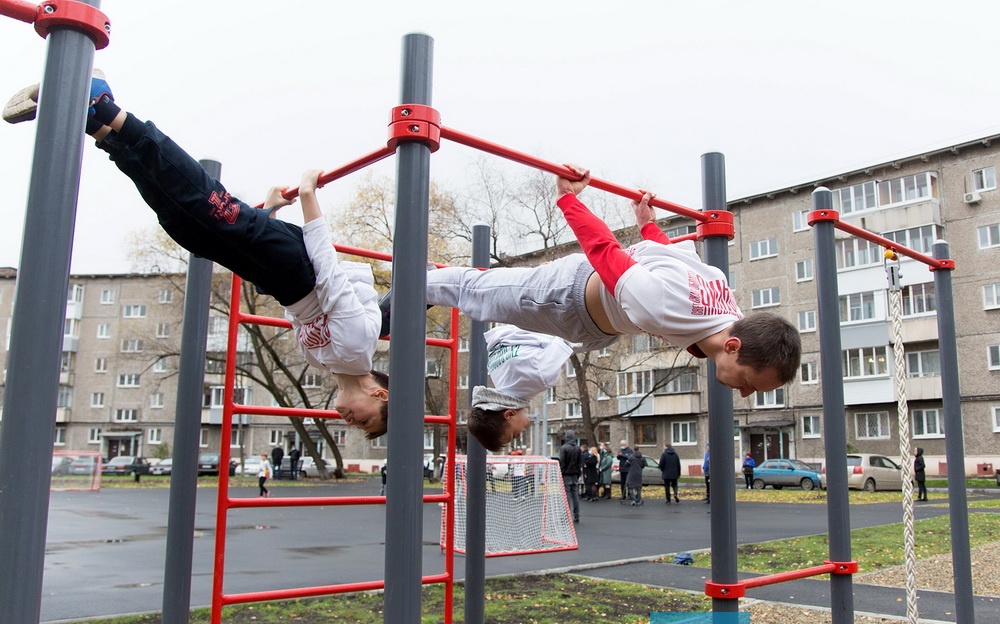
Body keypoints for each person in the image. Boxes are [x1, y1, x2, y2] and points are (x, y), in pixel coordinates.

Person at [4, 75, 390, 438]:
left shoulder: (322, 362)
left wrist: (265, 214)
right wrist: (308, 197)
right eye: (367, 421)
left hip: (276, 276)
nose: (353, 422)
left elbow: (299, 311)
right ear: (379, 394)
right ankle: (105, 105)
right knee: (204, 201)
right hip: (294, 263)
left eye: (359, 428)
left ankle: (99, 129)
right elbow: (329, 274)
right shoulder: (357, 346)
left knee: (182, 224)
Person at [402, 165, 801, 400]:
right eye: (748, 383)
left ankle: (441, 285)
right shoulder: (666, 306)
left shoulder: (725, 300)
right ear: (732, 347)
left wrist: (647, 223)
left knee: (514, 329)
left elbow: (672, 254)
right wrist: (568, 199)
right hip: (567, 299)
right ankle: (417, 282)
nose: (744, 393)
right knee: (483, 295)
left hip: (600, 328)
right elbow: (605, 251)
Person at [467, 326, 573, 452]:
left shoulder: (540, 377)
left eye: (512, 435)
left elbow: (571, 336)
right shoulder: (495, 370)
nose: (518, 435)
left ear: (509, 414)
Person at [558, 430, 582, 523]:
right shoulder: (578, 448)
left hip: (566, 474)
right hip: (575, 473)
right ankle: (577, 515)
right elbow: (580, 463)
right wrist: (578, 473)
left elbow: (562, 462)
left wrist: (561, 472)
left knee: (567, 495)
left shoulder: (564, 448)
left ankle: (566, 515)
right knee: (575, 495)